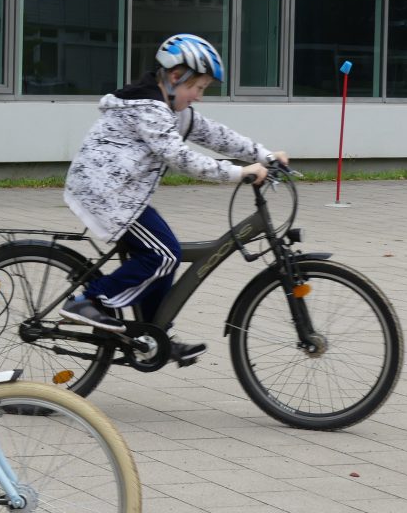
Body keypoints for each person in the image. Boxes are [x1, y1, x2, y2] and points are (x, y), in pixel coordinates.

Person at [60, 34, 288, 365]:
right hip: (106, 195)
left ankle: (154, 335)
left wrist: (263, 155)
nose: (199, 96)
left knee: (164, 253)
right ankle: (89, 301)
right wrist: (239, 173)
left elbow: (215, 135)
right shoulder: (149, 109)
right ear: (175, 76)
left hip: (124, 194)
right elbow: (181, 158)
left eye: (203, 89)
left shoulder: (171, 109)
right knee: (165, 254)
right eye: (197, 87)